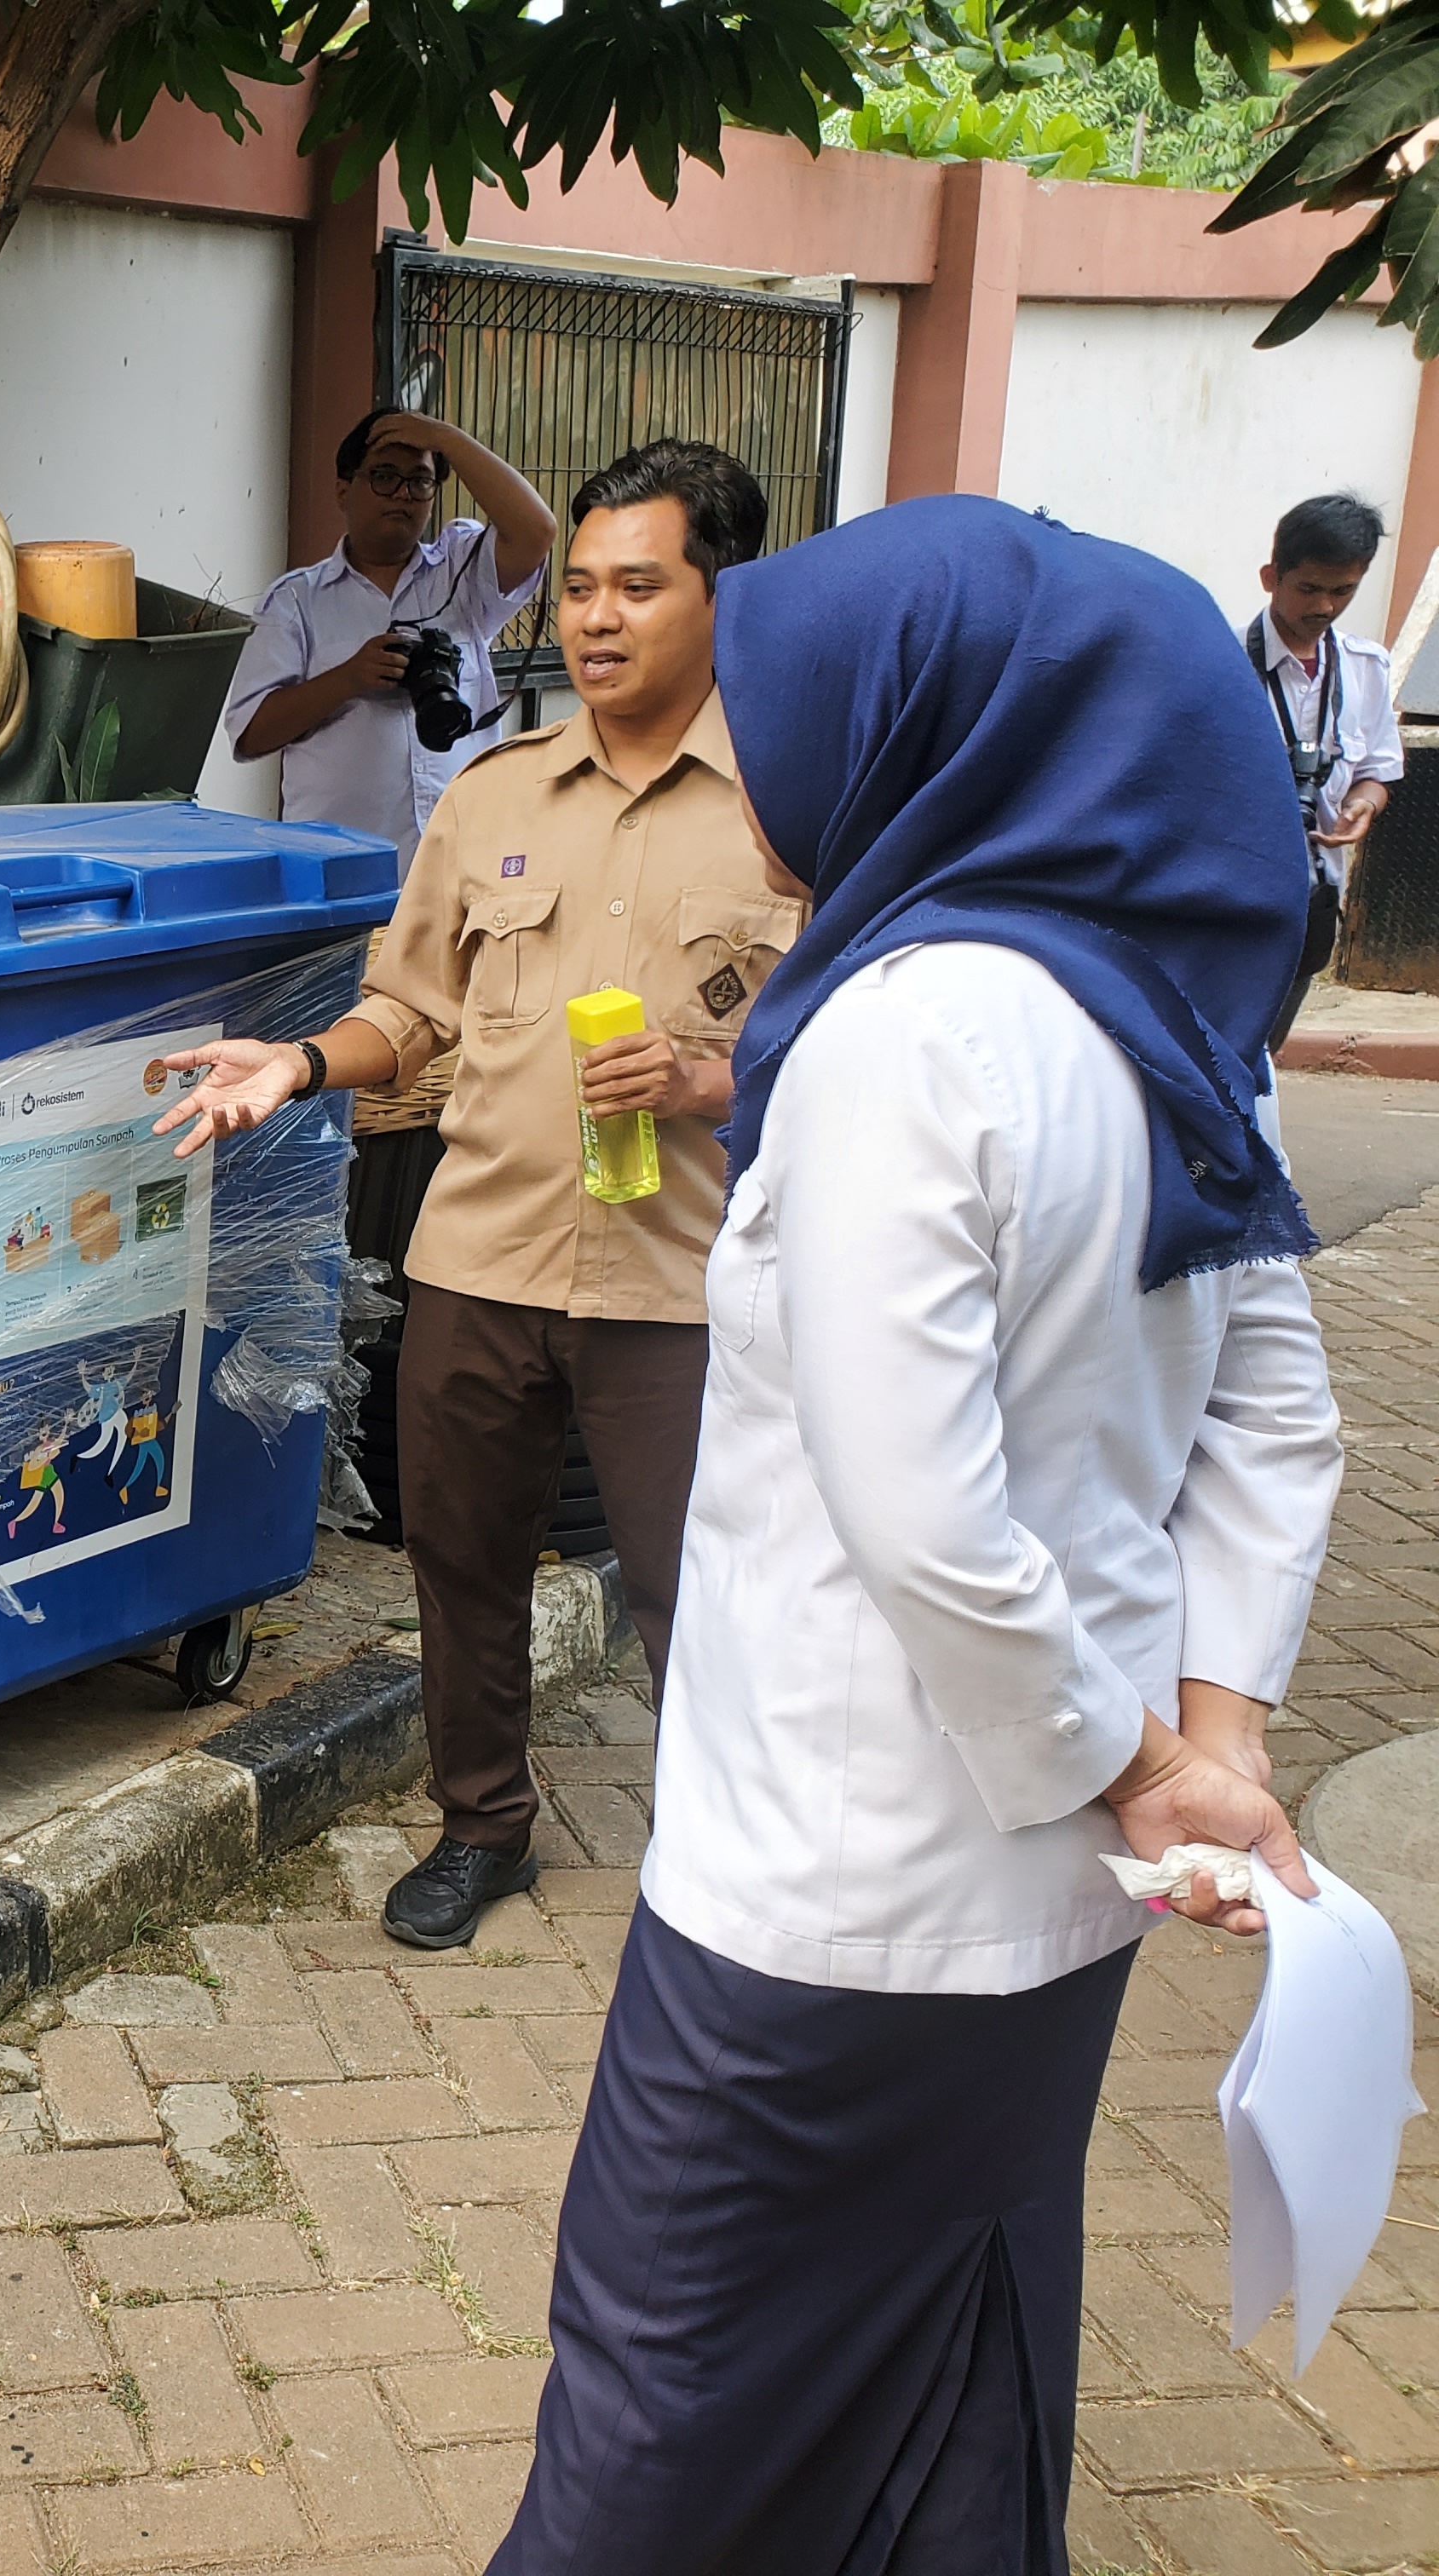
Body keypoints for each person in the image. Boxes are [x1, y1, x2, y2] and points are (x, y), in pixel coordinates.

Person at [491, 496, 1341, 2576]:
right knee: (952, 2353)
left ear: (923, 735)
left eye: (779, 730)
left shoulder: (902, 1033)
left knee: (664, 2403)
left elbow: (921, 1509)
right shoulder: (1175, 1026)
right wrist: (1209, 1737)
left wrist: (1144, 1769)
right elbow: (1278, 1418)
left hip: (829, 1895)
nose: (757, 786)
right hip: (1055, 1905)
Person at [159, 440, 800, 1951]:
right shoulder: (494, 793)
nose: (595, 617)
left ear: (724, 596)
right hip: (479, 1255)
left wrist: (708, 1081)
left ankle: (731, 1871)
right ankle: (482, 1825)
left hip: (682, 1279)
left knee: (702, 1586)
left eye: (638, 585)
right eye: (578, 587)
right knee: (460, 1562)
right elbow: (413, 1011)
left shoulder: (796, 811)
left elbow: (852, 1048)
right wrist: (301, 1062)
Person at [222, 408, 558, 871]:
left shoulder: (460, 570)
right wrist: (348, 679)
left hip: (462, 864)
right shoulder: (296, 601)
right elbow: (251, 735)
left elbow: (537, 529)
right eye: (384, 477)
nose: (403, 494)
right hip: (341, 873)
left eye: (420, 482)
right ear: (343, 491)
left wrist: (446, 438)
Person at [1250, 492, 1405, 1049]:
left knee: (1264, 1057)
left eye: (1343, 591)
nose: (1325, 606)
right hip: (1229, 897)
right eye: (1309, 588)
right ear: (1271, 577)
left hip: (1312, 901)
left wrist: (1364, 804)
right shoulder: (1221, 660)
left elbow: (1377, 772)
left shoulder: (1367, 668)